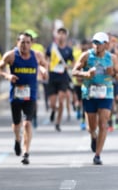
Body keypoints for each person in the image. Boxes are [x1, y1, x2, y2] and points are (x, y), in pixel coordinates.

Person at [0, 32, 47, 165]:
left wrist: (43, 70)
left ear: (32, 44)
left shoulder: (37, 55)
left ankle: (26, 152)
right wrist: (7, 76)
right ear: (17, 43)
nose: (25, 45)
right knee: (17, 123)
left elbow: (44, 65)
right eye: (22, 42)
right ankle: (17, 139)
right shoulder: (11, 55)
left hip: (31, 94)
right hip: (16, 95)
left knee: (27, 123)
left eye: (28, 42)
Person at [72, 32, 118, 165]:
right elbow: (74, 71)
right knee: (91, 127)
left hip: (106, 94)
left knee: (103, 124)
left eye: (99, 43)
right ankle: (93, 136)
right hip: (89, 94)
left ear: (106, 44)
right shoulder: (86, 55)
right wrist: (86, 73)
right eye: (95, 42)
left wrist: (114, 73)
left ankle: (97, 155)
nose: (96, 46)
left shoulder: (113, 58)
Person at [46, 27, 74, 132]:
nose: (61, 35)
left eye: (63, 33)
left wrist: (69, 66)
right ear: (56, 35)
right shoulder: (51, 48)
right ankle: (53, 110)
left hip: (63, 78)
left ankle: (58, 122)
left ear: (66, 36)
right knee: (53, 103)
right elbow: (45, 58)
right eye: (59, 33)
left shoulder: (69, 50)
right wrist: (46, 66)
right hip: (52, 77)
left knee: (61, 101)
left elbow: (74, 63)